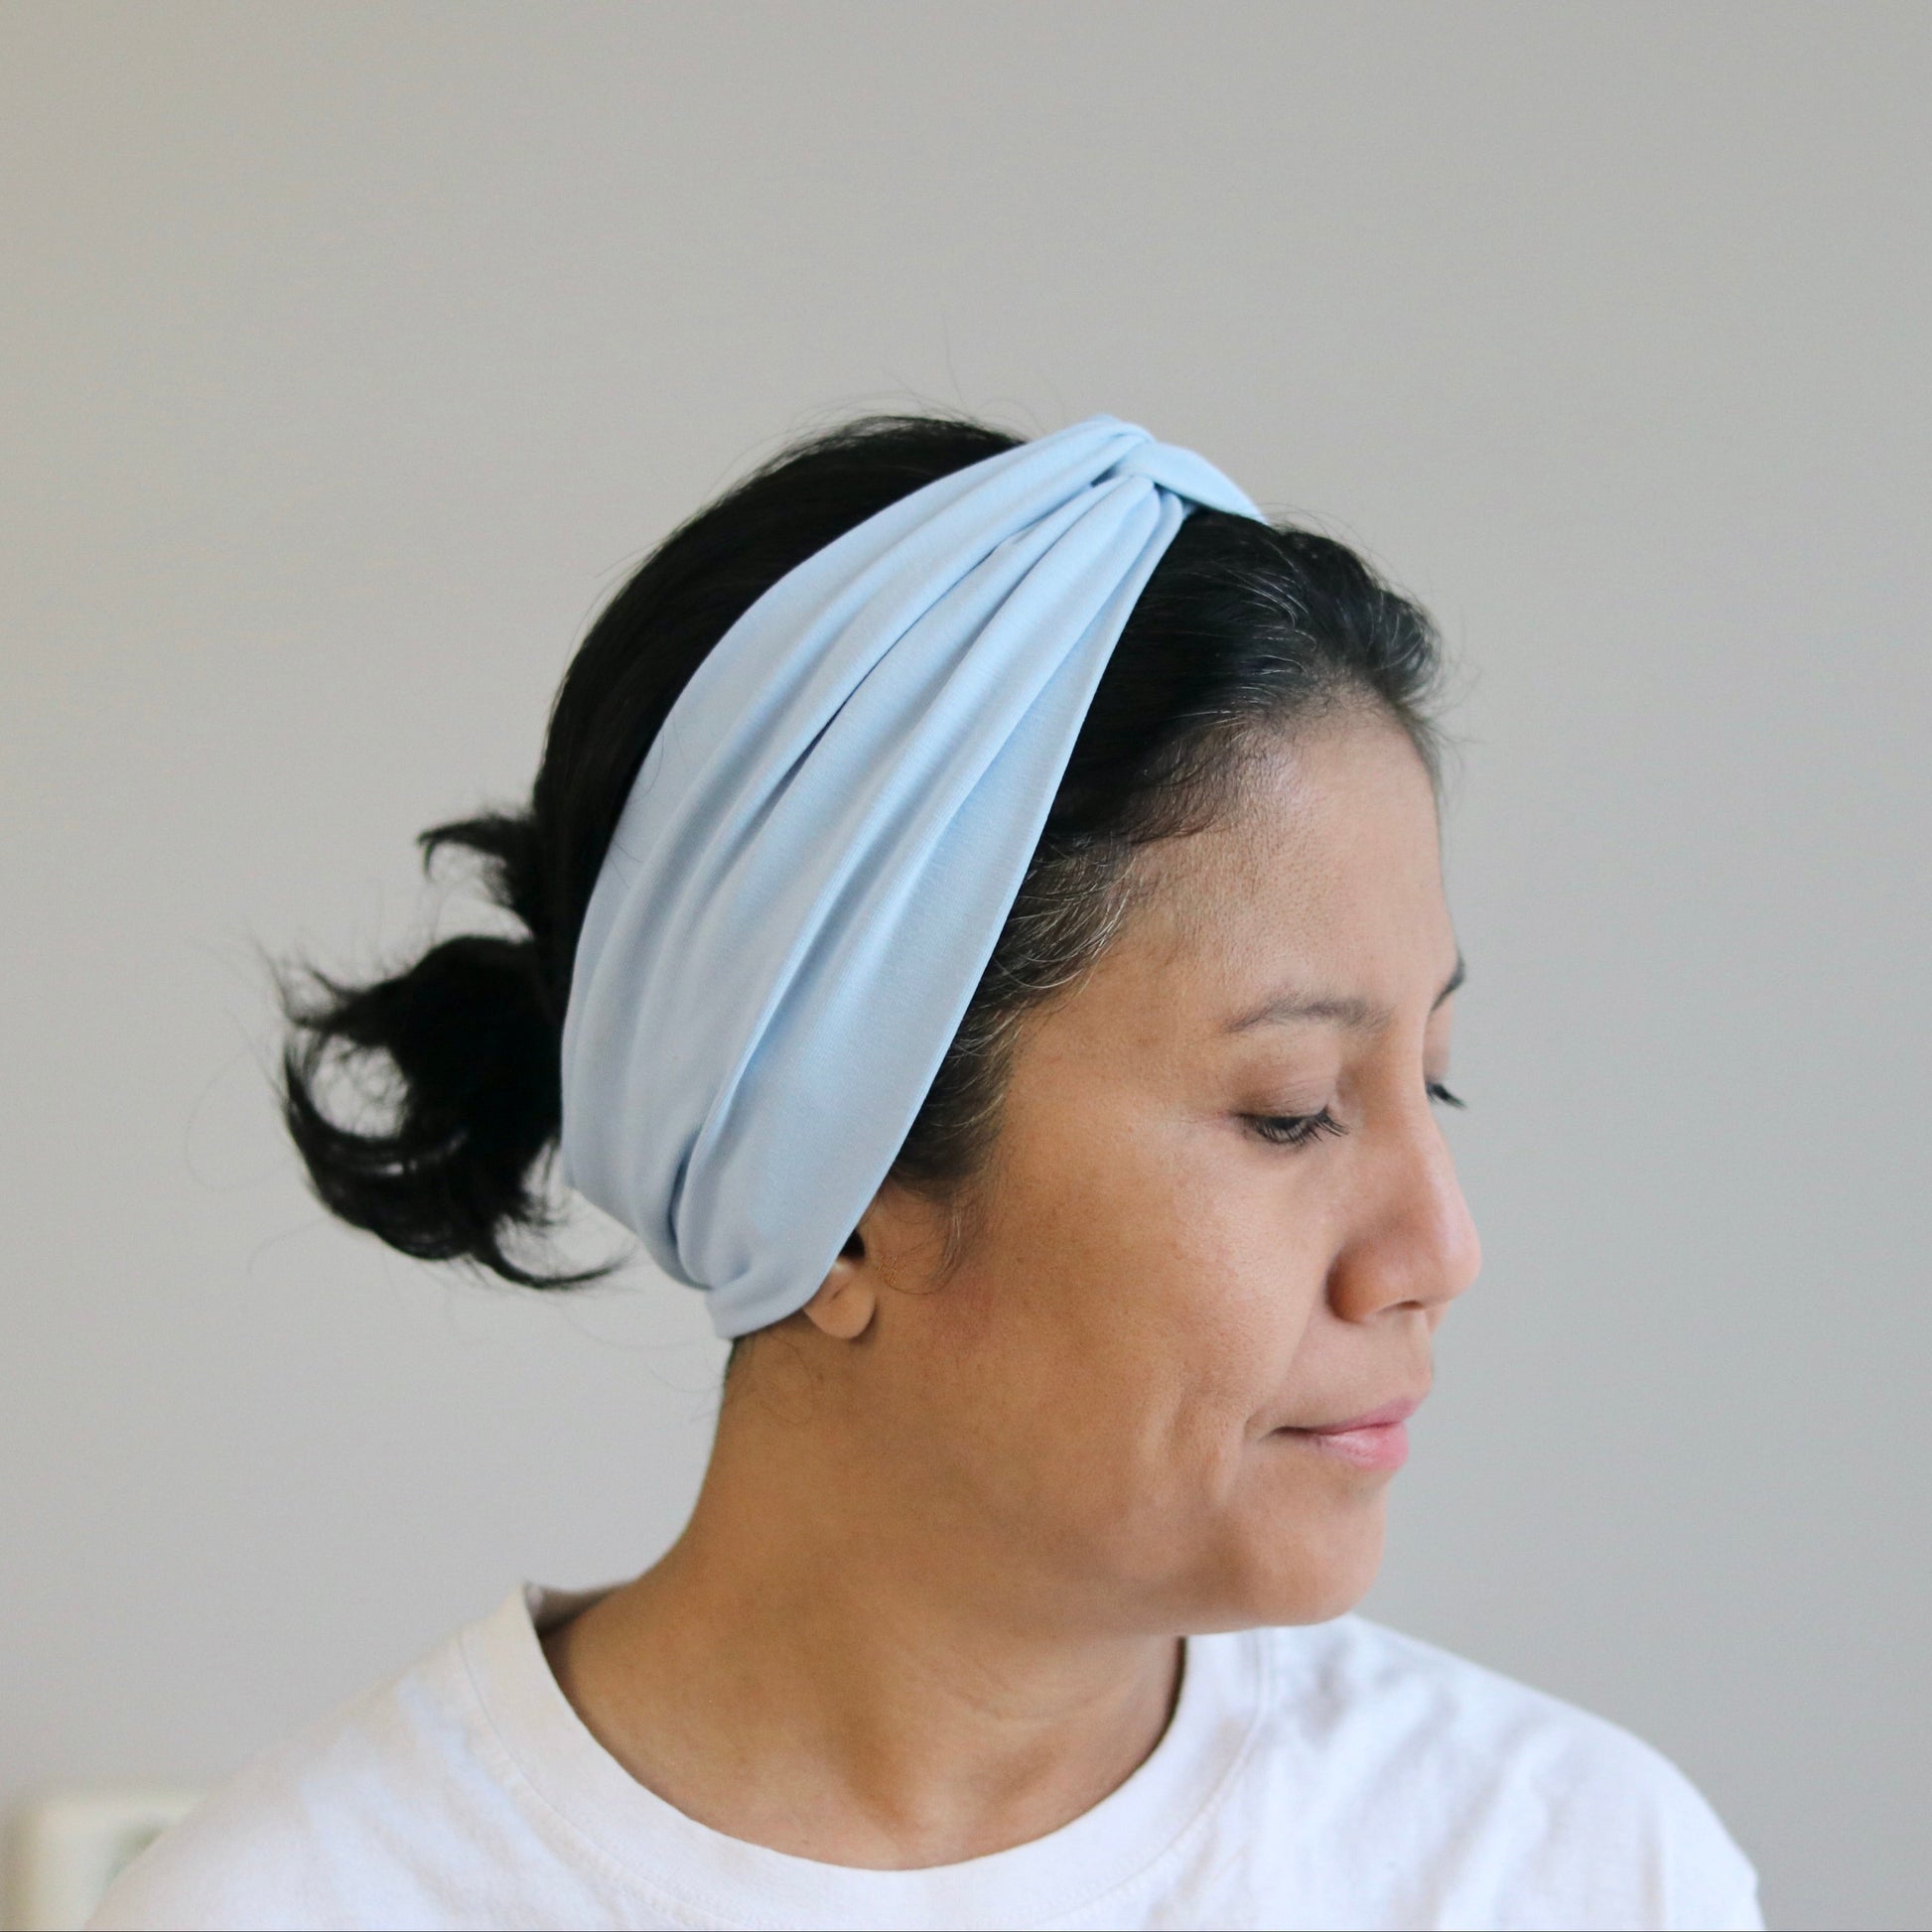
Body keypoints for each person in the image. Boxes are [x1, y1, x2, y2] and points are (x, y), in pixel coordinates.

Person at [93, 414, 1761, 1931]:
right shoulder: (283, 1906)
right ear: (837, 1188)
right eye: (1291, 1109)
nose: (1437, 1248)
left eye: (1430, 1079)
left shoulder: (1576, 1870)